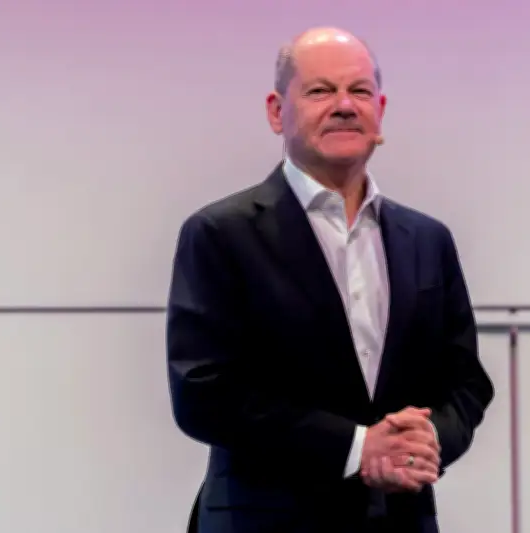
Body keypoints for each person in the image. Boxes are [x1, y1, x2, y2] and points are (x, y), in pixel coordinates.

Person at [166, 26, 495, 533]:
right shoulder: (220, 233)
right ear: (277, 111)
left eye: (359, 91)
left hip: (400, 519)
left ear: (380, 110)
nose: (344, 105)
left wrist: (426, 441)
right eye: (320, 91)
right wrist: (359, 448)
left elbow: (466, 382)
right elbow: (203, 393)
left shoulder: (428, 239)